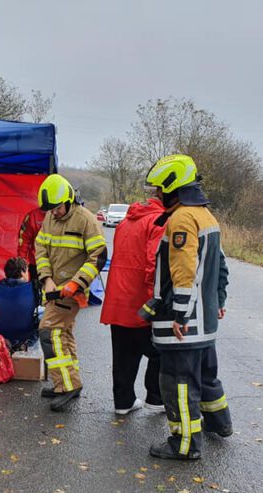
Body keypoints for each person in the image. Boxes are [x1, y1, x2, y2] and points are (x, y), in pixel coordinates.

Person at [143, 154, 232, 461]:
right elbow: (220, 266)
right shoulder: (206, 216)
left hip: (184, 324)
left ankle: (184, 444)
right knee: (206, 377)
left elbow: (184, 270)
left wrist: (180, 313)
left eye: (159, 189)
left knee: (178, 384)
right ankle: (220, 423)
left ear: (173, 187)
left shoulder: (182, 219)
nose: (157, 195)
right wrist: (218, 301)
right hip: (205, 323)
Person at [35, 174, 108, 411]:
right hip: (53, 289)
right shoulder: (50, 217)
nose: (53, 213)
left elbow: (98, 256)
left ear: (69, 199)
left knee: (48, 332)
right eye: (50, 209)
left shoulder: (85, 220)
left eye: (56, 208)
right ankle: (67, 382)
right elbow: (41, 249)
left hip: (71, 291)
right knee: (63, 333)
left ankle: (66, 385)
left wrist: (76, 283)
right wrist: (46, 279)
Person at [100, 190, 165, 415]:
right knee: (160, 351)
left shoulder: (126, 221)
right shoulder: (159, 221)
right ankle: (156, 397)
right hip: (140, 301)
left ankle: (123, 402)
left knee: (123, 353)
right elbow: (152, 264)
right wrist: (155, 301)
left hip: (118, 299)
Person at [17, 207, 46, 290]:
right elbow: (24, 242)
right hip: (37, 265)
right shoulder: (33, 216)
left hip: (58, 264)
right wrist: (21, 265)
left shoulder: (64, 215)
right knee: (37, 295)